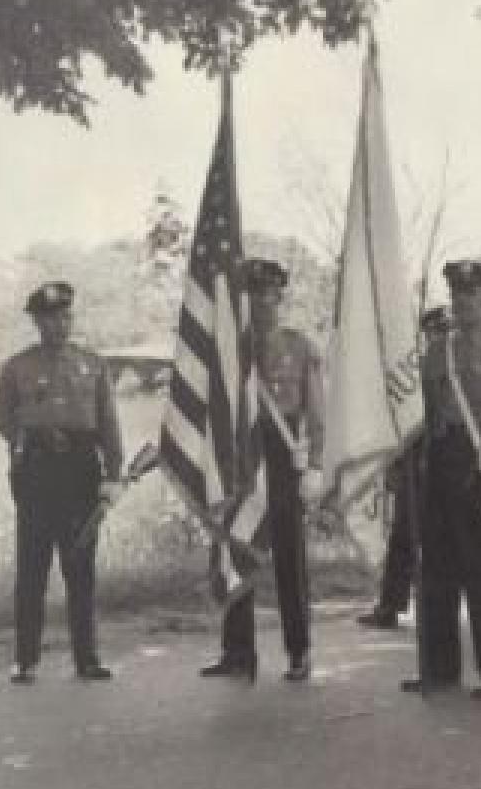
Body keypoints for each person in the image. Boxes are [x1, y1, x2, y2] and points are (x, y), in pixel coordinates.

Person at [401, 259, 481, 699]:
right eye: (457, 294)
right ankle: (440, 668)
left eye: (472, 293)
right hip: (441, 463)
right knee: (437, 571)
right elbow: (423, 416)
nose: (463, 302)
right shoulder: (439, 352)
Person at [200, 259, 326, 682]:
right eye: (253, 294)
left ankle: (299, 650)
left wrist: (314, 465)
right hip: (243, 459)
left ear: (280, 296)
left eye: (269, 294)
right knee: (238, 549)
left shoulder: (299, 346)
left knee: (289, 557)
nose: (261, 302)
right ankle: (238, 652)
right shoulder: (232, 349)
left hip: (283, 456)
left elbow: (316, 412)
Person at [0, 282, 123, 684]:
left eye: (65, 316)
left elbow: (109, 425)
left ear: (73, 317)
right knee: (33, 566)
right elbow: (0, 418)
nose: (58, 325)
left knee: (80, 566)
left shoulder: (94, 364)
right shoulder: (17, 367)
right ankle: (26, 659)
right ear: (36, 322)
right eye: (49, 319)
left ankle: (87, 659)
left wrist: (113, 476)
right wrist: (29, 435)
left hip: (83, 471)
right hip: (36, 471)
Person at [357, 306, 452, 630]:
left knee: (449, 540)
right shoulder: (415, 376)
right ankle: (391, 605)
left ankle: (440, 608)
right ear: (425, 336)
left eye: (444, 331)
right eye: (434, 332)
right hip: (416, 466)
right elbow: (398, 425)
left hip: (453, 464)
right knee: (403, 537)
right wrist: (394, 468)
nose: (439, 338)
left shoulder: (461, 370)